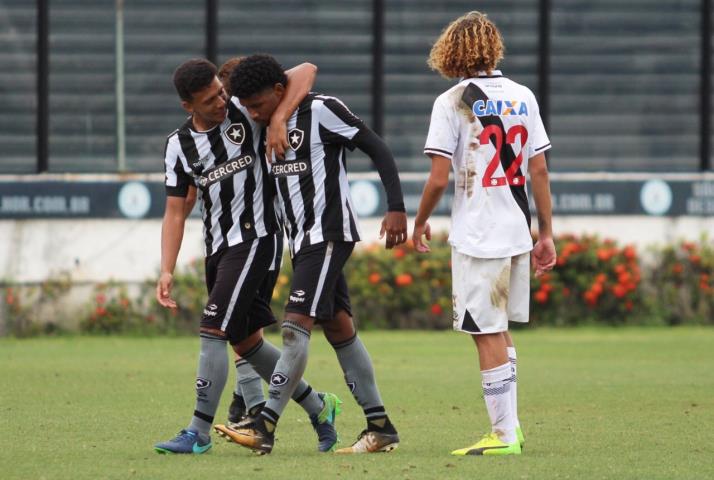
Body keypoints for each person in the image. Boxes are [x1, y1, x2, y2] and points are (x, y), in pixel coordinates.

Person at [217, 54, 408, 455]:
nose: (252, 114)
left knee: (294, 326)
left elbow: (376, 147)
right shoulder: (264, 120)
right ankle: (380, 426)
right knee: (338, 327)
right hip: (301, 241)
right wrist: (274, 116)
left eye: (259, 105)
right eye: (247, 107)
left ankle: (264, 425)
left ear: (279, 92)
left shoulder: (322, 110)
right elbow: (285, 82)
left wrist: (396, 207)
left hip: (330, 234)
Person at [153, 58, 341, 455]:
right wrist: (166, 269)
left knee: (212, 328)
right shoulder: (178, 145)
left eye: (221, 92)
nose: (222, 102)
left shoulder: (245, 110)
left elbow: (306, 70)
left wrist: (278, 120)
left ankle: (198, 432)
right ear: (188, 106)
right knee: (245, 342)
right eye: (209, 100)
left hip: (257, 239)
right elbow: (174, 211)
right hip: (219, 248)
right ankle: (318, 406)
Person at [413, 11, 556, 456]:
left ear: (452, 50)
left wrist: (419, 221)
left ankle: (503, 435)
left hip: (479, 234)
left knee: (484, 331)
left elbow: (438, 178)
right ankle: (511, 426)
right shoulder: (523, 96)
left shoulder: (453, 100)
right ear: (493, 47)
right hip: (516, 229)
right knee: (500, 330)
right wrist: (546, 233)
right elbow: (539, 170)